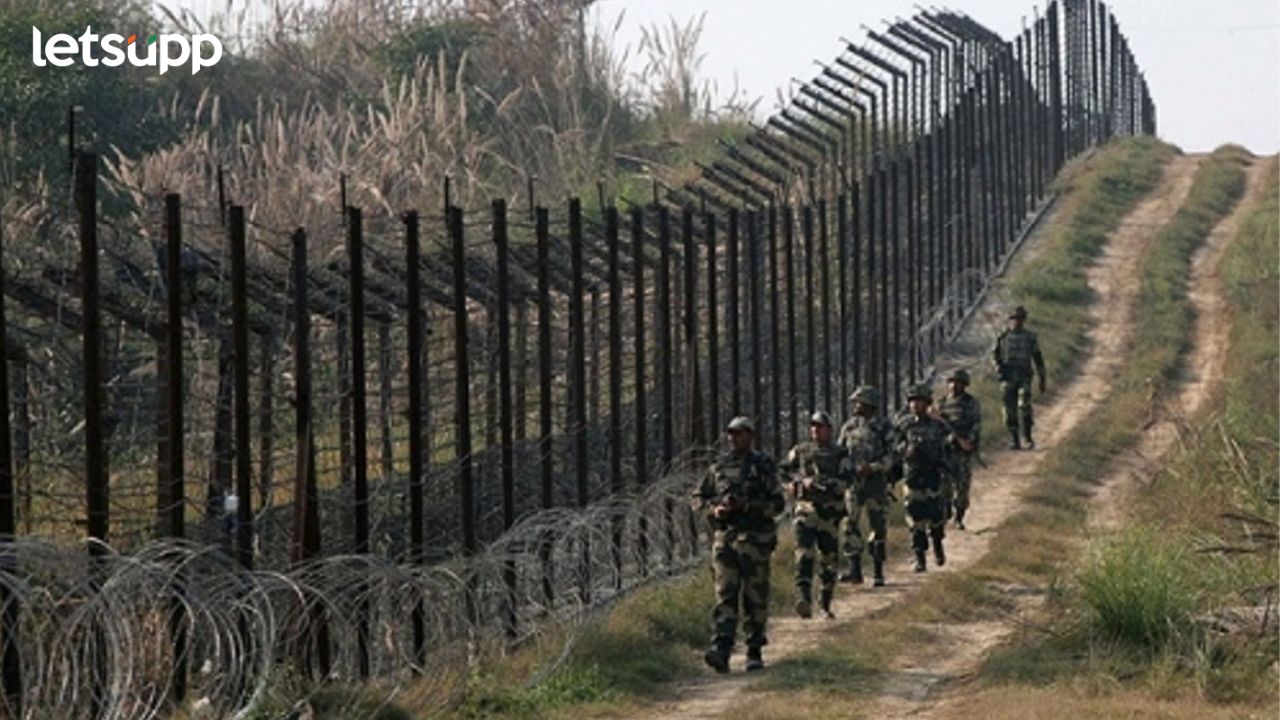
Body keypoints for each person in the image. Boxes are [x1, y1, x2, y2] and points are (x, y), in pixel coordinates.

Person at [691, 416, 785, 673]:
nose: (733, 437)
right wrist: (715, 510)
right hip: (726, 538)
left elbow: (778, 504)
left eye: (739, 433)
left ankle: (754, 650)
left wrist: (748, 506)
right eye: (730, 433)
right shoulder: (719, 467)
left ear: (750, 436)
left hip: (755, 540)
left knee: (755, 595)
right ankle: (722, 648)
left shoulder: (764, 466)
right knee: (725, 594)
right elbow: (697, 498)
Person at [780, 411, 854, 619]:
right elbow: (783, 470)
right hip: (805, 511)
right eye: (813, 426)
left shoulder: (840, 453)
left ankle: (825, 602)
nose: (815, 430)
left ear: (829, 430)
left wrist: (824, 484)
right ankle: (803, 597)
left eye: (820, 426)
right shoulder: (801, 451)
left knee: (829, 559)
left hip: (829, 514)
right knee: (804, 554)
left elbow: (847, 479)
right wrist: (794, 484)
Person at [837, 386, 897, 587]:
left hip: (876, 483)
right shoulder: (849, 427)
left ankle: (878, 571)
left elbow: (891, 456)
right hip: (854, 484)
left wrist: (872, 467)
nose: (856, 406)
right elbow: (840, 453)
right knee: (849, 525)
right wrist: (848, 470)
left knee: (877, 526)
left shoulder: (884, 427)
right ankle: (855, 571)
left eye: (859, 402)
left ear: (870, 404)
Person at [895, 384, 954, 572]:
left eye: (919, 401)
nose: (915, 405)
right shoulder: (904, 425)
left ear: (927, 403)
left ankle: (937, 543)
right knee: (915, 519)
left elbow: (948, 446)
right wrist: (906, 451)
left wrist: (945, 465)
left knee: (936, 516)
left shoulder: (937, 425)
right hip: (912, 477)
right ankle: (920, 557)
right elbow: (893, 446)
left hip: (933, 477)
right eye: (913, 401)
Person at [992, 305, 1046, 449]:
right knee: (1009, 409)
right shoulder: (1003, 337)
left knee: (1024, 406)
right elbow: (995, 354)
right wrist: (998, 368)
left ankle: (1027, 437)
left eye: (1020, 318)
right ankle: (1014, 439)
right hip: (1008, 376)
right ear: (1010, 319)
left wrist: (1042, 378)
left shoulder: (1030, 337)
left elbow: (1037, 357)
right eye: (1015, 318)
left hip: (1024, 376)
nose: (1017, 321)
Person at [937, 369, 981, 530]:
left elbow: (976, 424)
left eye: (958, 383)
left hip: (963, 451)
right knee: (944, 485)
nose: (954, 386)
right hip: (946, 451)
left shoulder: (971, 403)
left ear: (964, 385)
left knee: (962, 485)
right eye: (952, 382)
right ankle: (946, 513)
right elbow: (937, 426)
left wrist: (968, 441)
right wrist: (946, 439)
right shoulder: (942, 402)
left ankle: (959, 517)